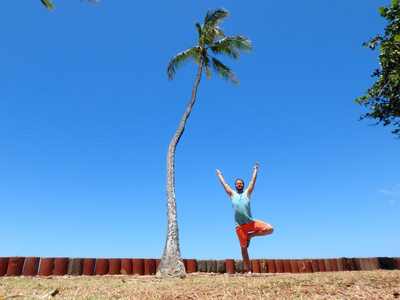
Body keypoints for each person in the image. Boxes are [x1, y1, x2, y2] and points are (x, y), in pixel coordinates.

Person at [215, 162, 273, 276]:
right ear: (235, 186)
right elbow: (224, 184)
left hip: (251, 222)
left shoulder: (247, 192)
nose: (239, 185)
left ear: (243, 185)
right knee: (243, 248)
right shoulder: (232, 194)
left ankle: (250, 236)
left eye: (241, 183)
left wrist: (256, 169)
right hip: (240, 226)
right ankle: (249, 270)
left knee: (270, 229)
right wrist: (219, 174)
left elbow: (253, 180)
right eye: (237, 183)